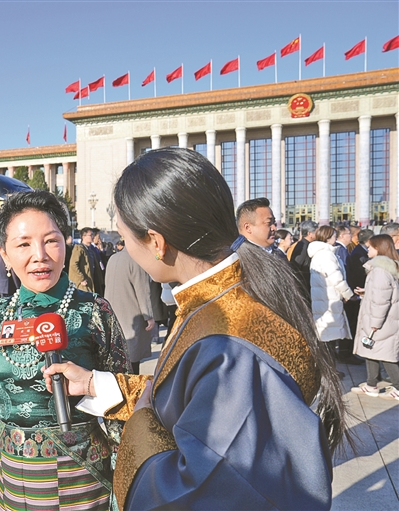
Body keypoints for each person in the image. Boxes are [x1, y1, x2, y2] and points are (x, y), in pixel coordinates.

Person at [44, 148, 348, 510]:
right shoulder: (218, 298)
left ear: (156, 243)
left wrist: (141, 425)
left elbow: (207, 489)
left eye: (125, 238)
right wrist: (96, 385)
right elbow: (190, 394)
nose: (125, 248)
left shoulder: (230, 341)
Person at [0, 191, 129, 511]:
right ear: (5, 254)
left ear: (66, 243)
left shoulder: (95, 311)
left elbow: (123, 404)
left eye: (51, 241)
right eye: (23, 244)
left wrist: (125, 489)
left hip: (84, 477)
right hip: (13, 478)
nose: (39, 255)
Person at [350, 234, 399, 401]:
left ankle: (397, 387)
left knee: (386, 355)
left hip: (380, 321)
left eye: (370, 247)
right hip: (384, 319)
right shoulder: (387, 267)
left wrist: (375, 324)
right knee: (371, 351)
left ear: (378, 248)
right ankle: (371, 384)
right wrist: (367, 291)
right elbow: (385, 293)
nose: (367, 249)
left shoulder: (379, 271)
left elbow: (381, 301)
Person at [104, 247, 155, 374]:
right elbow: (143, 290)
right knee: (133, 359)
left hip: (113, 312)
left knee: (118, 358)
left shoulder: (112, 258)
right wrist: (148, 316)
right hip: (131, 313)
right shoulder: (136, 260)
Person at [308, 225, 355, 364]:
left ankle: (329, 368)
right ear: (328, 238)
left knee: (327, 335)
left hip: (323, 297)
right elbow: (336, 278)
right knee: (329, 337)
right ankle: (330, 370)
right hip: (329, 298)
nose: (335, 238)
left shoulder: (320, 253)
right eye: (334, 236)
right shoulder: (326, 254)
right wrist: (348, 294)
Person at [236, 197, 286, 261]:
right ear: (248, 228)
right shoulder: (238, 261)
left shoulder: (279, 254)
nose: (274, 228)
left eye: (274, 223)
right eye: (268, 223)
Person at [290, 219, 318, 299]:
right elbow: (295, 267)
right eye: (316, 232)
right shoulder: (303, 246)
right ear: (309, 234)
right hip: (303, 287)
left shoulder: (307, 245)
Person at [68, 227, 96, 292]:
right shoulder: (79, 248)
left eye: (93, 235)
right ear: (83, 236)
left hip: (90, 281)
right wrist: (81, 279)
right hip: (82, 284)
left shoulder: (90, 250)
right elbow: (73, 264)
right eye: (91, 235)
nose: (93, 237)